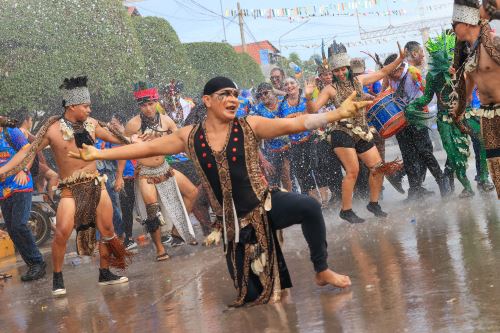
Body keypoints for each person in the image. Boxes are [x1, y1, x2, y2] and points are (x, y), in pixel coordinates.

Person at [69, 76, 372, 307]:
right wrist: (98, 156)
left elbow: (296, 124)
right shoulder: (189, 136)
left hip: (265, 203)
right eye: (224, 94)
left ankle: (322, 269)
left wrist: (335, 115)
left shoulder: (250, 125)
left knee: (309, 206)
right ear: (207, 101)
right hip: (233, 224)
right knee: (253, 298)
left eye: (235, 95)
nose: (232, 99)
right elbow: (145, 147)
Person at [0, 76, 131, 296]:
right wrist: (4, 170)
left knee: (108, 231)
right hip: (71, 189)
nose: (90, 109)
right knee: (61, 232)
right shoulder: (51, 129)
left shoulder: (92, 125)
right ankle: (58, 279)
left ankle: (105, 273)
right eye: (86, 106)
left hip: (96, 184)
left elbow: (120, 140)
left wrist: (134, 137)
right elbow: (27, 151)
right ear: (72, 106)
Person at [306, 41, 405, 223]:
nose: (341, 73)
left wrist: (401, 58)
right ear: (333, 73)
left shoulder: (359, 81)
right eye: (337, 71)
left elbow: (383, 72)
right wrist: (307, 96)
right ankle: (346, 210)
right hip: (340, 131)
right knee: (353, 171)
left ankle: (373, 204)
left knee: (378, 168)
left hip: (361, 130)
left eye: (343, 69)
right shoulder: (330, 89)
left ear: (348, 68)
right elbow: (313, 110)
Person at [125, 81, 197, 260]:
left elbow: (182, 140)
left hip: (165, 168)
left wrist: (197, 156)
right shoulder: (133, 124)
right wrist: (120, 175)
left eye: (151, 104)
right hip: (145, 173)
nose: (148, 109)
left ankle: (176, 232)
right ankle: (159, 249)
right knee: (152, 210)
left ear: (156, 102)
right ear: (139, 106)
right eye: (144, 105)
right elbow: (122, 150)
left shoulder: (166, 120)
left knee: (193, 193)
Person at [405, 31, 475, 198]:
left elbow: (469, 93)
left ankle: (450, 175)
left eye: (448, 55)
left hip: (460, 117)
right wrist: (412, 105)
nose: (448, 60)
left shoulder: (460, 71)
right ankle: (467, 187)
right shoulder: (432, 76)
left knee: (462, 152)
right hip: (444, 120)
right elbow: (427, 98)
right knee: (451, 152)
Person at [384, 53, 451, 200]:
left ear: (400, 67)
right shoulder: (389, 77)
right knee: (408, 156)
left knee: (424, 152)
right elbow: (385, 94)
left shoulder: (413, 73)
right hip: (401, 121)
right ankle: (415, 189)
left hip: (417, 118)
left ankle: (441, 180)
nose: (391, 77)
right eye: (389, 73)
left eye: (393, 73)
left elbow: (427, 94)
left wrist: (417, 106)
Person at [451, 0, 500, 199]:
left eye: (455, 23)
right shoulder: (468, 55)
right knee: (496, 168)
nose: (452, 27)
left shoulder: (494, 42)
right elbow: (468, 85)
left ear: (467, 23)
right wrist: (459, 109)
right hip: (487, 117)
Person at [0, 115, 46, 282]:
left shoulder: (11, 132)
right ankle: (33, 264)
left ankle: (38, 263)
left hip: (21, 184)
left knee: (19, 224)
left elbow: (28, 149)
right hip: (3, 190)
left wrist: (23, 169)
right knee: (12, 229)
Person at [251, 83, 292, 191]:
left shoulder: (284, 101)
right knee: (278, 179)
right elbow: (253, 137)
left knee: (293, 175)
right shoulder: (257, 110)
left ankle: (297, 200)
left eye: (265, 93)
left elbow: (294, 95)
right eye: (260, 95)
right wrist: (263, 160)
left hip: (292, 144)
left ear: (273, 92)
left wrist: (275, 91)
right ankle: (286, 202)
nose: (263, 97)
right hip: (273, 151)